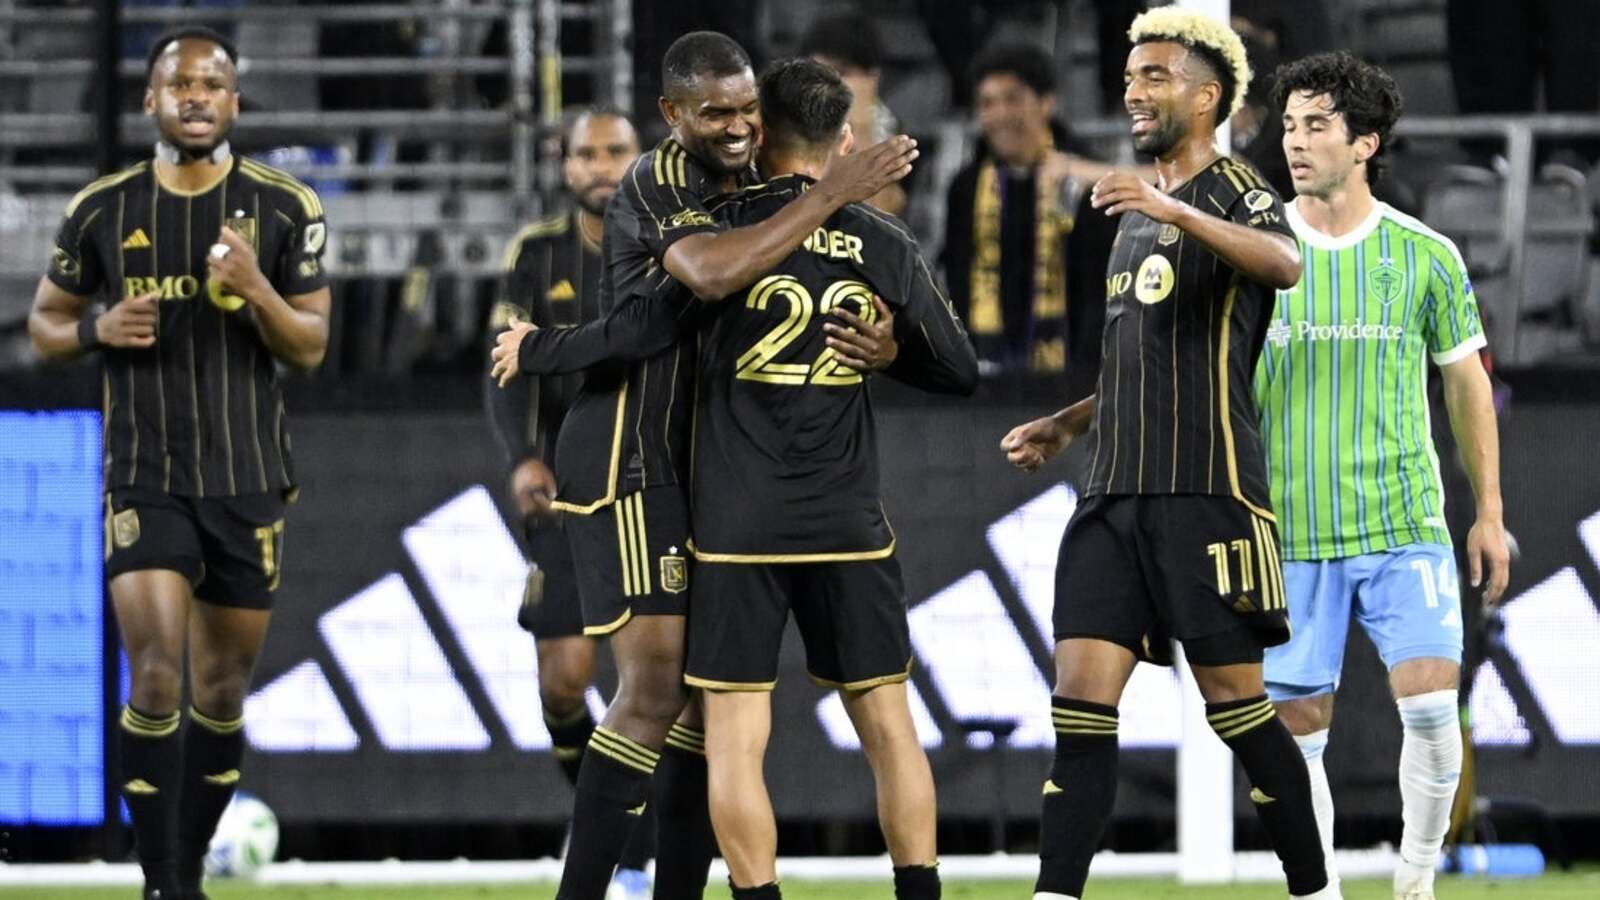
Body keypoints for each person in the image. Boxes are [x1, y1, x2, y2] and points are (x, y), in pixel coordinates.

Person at [490, 31, 916, 900]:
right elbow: (703, 282)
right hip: (630, 455)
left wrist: (890, 343)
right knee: (654, 692)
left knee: (700, 704)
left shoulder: (753, 185)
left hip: (701, 466)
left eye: (747, 109)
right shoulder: (658, 179)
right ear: (672, 114)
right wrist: (834, 190)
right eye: (714, 112)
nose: (735, 127)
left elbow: (682, 314)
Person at [996, 9, 1333, 900]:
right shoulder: (1134, 214)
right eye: (1129, 78)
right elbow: (1137, 362)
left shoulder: (1236, 190)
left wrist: (1173, 208)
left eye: (1155, 76)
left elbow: (1284, 263)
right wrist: (1070, 423)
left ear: (1207, 96)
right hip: (1113, 492)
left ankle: (1316, 890)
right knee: (1078, 707)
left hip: (1204, 490)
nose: (1134, 92)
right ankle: (1055, 893)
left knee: (1238, 710)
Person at [27, 26, 331, 900]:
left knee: (222, 692)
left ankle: (185, 870)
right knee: (156, 670)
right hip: (144, 472)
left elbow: (310, 345)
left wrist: (257, 288)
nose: (195, 96)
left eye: (211, 83)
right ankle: (163, 882)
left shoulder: (285, 206)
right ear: (150, 100)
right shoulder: (103, 208)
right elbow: (45, 323)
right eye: (179, 83)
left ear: (233, 101)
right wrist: (95, 329)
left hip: (247, 475)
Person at [685, 58, 978, 900]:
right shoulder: (880, 241)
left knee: (736, 738)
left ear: (757, 138)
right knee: (888, 725)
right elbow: (959, 370)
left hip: (736, 522)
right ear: (845, 141)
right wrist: (890, 353)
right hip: (845, 518)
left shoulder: (714, 232)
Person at [1258, 51, 1510, 900]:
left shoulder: (1425, 255)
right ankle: (1321, 891)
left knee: (1433, 707)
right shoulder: (1256, 251)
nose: (1295, 142)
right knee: (1297, 732)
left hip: (1403, 523)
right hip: (1290, 531)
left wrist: (1488, 512)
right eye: (1289, 125)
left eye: (1316, 125)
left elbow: (1466, 384)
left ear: (1365, 142)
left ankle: (1415, 879)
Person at [482, 106, 657, 898]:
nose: (600, 166)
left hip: (651, 490)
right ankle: (612, 826)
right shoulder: (537, 254)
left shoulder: (671, 244)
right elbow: (504, 364)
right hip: (568, 492)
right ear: (565, 165)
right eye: (586, 153)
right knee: (562, 684)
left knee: (654, 686)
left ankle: (634, 852)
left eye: (614, 151)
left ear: (641, 157)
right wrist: (522, 458)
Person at [940, 43, 1120, 391]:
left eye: (1013, 99)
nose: (1000, 115)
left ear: (1046, 102)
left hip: (1073, 379)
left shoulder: (1083, 180)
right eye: (987, 104)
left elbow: (1098, 289)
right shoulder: (965, 187)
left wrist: (1087, 376)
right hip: (987, 378)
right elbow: (958, 281)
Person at [798, 11, 907, 216]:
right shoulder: (787, 122)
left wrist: (862, 128)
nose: (826, 85)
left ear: (872, 77)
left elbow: (880, 215)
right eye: (817, 72)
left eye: (842, 72)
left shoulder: (891, 132)